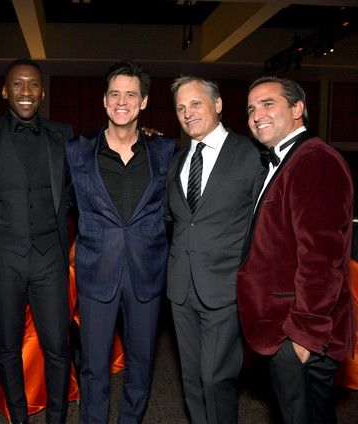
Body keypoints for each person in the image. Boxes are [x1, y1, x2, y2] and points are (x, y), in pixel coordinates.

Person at [238, 75, 356, 424]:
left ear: (298, 108)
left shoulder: (314, 160)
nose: (257, 113)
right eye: (250, 108)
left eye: (267, 103)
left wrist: (303, 335)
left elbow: (323, 259)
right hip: (285, 329)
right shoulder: (284, 160)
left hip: (302, 333)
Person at [65, 59, 175, 424]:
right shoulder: (76, 150)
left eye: (131, 94)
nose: (122, 101)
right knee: (94, 367)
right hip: (97, 272)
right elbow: (64, 203)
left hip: (148, 273)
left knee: (141, 367)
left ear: (143, 102)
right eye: (115, 94)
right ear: (104, 100)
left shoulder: (166, 151)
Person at [0, 58, 73, 424]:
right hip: (2, 257)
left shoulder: (65, 133)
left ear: (42, 92)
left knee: (58, 347)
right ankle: (19, 417)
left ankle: (57, 419)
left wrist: (145, 137)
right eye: (17, 85)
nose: (25, 92)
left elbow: (93, 167)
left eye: (33, 85)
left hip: (50, 257)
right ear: (4, 91)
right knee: (8, 348)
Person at [164, 76, 263, 424]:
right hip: (180, 290)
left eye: (195, 103)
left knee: (216, 379)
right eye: (180, 107)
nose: (187, 113)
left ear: (217, 104)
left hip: (225, 290)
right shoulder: (177, 161)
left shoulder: (250, 155)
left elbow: (262, 225)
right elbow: (174, 221)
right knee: (191, 381)